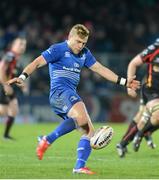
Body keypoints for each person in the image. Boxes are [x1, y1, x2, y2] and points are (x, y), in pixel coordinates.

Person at [7, 24, 140, 174]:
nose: (81, 45)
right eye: (78, 41)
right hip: (60, 93)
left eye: (84, 43)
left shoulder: (85, 53)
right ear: (69, 37)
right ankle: (47, 140)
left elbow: (99, 69)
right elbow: (37, 62)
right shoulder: (58, 49)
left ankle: (78, 166)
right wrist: (23, 76)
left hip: (68, 94)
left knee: (88, 131)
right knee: (82, 112)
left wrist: (123, 82)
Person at [117, 38, 159, 156]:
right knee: (151, 116)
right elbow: (133, 63)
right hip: (151, 90)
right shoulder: (155, 48)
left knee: (143, 118)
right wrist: (130, 86)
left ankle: (123, 143)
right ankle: (141, 135)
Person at [0, 37, 27, 140]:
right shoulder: (10, 55)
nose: (22, 47)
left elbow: (14, 76)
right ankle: (6, 135)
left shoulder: (17, 59)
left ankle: (6, 135)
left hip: (9, 87)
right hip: (3, 86)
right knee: (3, 111)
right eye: (20, 44)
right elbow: (1, 69)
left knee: (14, 109)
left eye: (24, 45)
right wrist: (6, 85)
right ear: (13, 45)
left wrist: (21, 85)